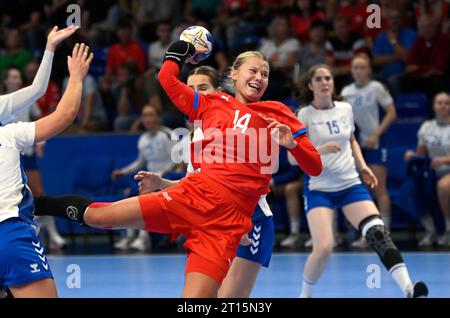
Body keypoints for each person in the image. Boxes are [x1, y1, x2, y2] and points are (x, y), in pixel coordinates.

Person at [33, 40, 322, 298]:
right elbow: (166, 78)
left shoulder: (278, 114)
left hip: (227, 224)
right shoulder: (212, 104)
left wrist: (292, 145)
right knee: (98, 216)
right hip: (192, 196)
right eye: (253, 70)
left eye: (265, 74)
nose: (259, 77)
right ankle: (33, 204)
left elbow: (315, 166)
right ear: (233, 74)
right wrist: (180, 48)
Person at [135, 64, 276, 297]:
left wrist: (241, 222)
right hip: (215, 227)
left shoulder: (235, 126)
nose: (195, 93)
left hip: (252, 222)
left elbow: (250, 182)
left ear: (219, 92)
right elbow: (195, 186)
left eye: (202, 88)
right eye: (190, 88)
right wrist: (161, 184)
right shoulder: (196, 135)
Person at [296, 63, 428, 298]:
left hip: (350, 184)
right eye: (319, 79)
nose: (325, 82)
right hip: (319, 188)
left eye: (328, 78)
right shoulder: (305, 114)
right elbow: (292, 158)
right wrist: (319, 149)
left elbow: (352, 140)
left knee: (378, 233)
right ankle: (306, 294)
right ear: (310, 85)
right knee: (324, 247)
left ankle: (408, 288)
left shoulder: (345, 109)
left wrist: (363, 166)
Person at [0, 42, 93, 297]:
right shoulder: (8, 134)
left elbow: (37, 89)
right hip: (8, 233)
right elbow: (65, 115)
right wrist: (75, 77)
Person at [341, 54, 397, 247]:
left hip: (376, 143)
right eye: (355, 67)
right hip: (357, 145)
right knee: (362, 191)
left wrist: (376, 134)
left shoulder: (376, 88)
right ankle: (368, 234)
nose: (359, 71)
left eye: (362, 67)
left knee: (379, 188)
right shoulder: (346, 91)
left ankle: (385, 233)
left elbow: (392, 112)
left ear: (369, 70)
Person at [112, 104, 174, 251]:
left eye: (151, 115)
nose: (147, 119)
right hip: (150, 178)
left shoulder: (168, 134)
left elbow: (175, 160)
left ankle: (143, 238)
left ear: (157, 118)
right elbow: (140, 162)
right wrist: (123, 171)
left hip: (166, 178)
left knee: (143, 195)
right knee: (128, 195)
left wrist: (162, 174)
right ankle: (129, 235)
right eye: (145, 115)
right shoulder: (143, 139)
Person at [404, 92, 450, 246]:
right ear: (434, 106)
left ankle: (448, 230)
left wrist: (444, 160)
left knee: (443, 186)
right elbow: (420, 154)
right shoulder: (427, 127)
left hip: (447, 171)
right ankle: (431, 230)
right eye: (439, 103)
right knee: (410, 188)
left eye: (446, 103)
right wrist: (412, 155)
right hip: (431, 172)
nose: (443, 106)